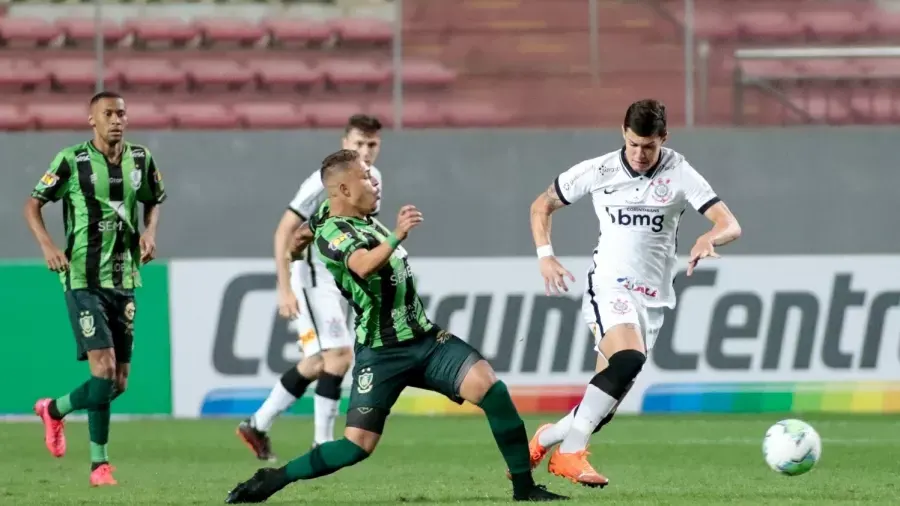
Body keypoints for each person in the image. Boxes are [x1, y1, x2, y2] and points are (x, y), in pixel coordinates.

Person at [225, 149, 567, 503]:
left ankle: (525, 490)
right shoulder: (335, 231)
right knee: (356, 446)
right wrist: (396, 235)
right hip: (381, 352)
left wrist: (295, 250)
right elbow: (362, 266)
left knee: (492, 391)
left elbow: (298, 235)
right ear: (343, 189)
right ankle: (274, 479)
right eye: (364, 177)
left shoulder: (328, 213)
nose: (373, 182)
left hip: (425, 339)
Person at [526, 99, 742, 487]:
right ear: (623, 136)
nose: (640, 154)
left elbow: (729, 223)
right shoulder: (600, 170)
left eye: (649, 146)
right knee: (628, 360)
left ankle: (546, 437)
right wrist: (546, 256)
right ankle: (570, 454)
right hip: (609, 285)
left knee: (602, 410)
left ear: (664, 139)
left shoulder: (679, 171)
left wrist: (711, 237)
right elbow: (541, 206)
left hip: (654, 300)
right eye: (633, 144)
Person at [25, 91, 167, 487]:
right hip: (82, 278)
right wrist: (49, 246)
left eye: (121, 113)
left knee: (117, 384)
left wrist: (150, 232)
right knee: (102, 371)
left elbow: (154, 201)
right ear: (92, 120)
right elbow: (33, 204)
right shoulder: (71, 160)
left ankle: (54, 410)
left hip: (124, 278)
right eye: (108, 114)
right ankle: (99, 465)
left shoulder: (142, 159)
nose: (117, 120)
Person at [237, 114, 384, 461]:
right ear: (344, 142)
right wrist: (284, 287)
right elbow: (283, 231)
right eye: (358, 143)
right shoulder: (322, 183)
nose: (365, 151)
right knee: (339, 356)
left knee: (319, 361)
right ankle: (322, 444)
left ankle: (257, 423)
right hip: (313, 277)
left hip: (337, 280)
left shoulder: (373, 178)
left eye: (372, 144)